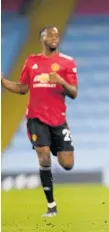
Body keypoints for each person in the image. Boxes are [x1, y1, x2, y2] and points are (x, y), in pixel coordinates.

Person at [1, 26, 78, 217]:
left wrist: (60, 80)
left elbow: (74, 93)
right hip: (36, 118)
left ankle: (53, 146)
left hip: (59, 120)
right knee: (43, 155)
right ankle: (51, 205)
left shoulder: (67, 62)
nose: (54, 37)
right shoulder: (31, 61)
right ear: (41, 38)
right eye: (50, 34)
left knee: (67, 164)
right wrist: (3, 81)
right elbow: (22, 88)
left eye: (56, 35)